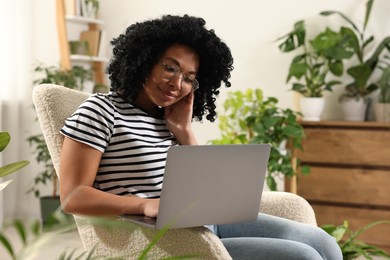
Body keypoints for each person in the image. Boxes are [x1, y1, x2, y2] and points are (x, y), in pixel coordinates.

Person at [59, 14, 342, 260]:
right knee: (304, 256)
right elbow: (73, 196)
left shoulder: (167, 119)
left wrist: (184, 132)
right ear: (143, 59)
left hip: (205, 223)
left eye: (188, 78)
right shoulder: (100, 111)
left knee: (323, 242)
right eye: (169, 67)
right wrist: (144, 204)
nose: (176, 83)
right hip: (167, 238)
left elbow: (204, 189)